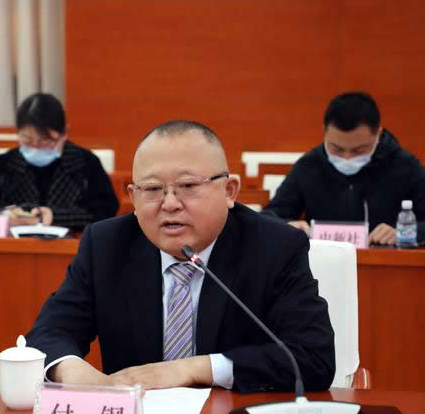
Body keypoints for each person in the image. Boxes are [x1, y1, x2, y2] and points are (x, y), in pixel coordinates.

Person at [26, 120, 335, 393]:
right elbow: (49, 332)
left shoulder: (275, 247)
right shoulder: (106, 245)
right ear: (133, 197)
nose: (170, 203)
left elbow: (313, 358)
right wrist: (70, 369)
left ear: (229, 191)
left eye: (187, 186)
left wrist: (194, 369)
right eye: (152, 189)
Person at [263, 92, 425, 246]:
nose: (347, 158)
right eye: (337, 149)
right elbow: (268, 217)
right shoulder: (310, 165)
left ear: (378, 134)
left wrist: (402, 234)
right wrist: (288, 226)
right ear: (325, 132)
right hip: (323, 268)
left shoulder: (404, 165)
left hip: (386, 268)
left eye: (359, 150)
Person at [0, 93, 119, 230]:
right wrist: (3, 214)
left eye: (44, 141)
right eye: (27, 140)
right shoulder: (8, 163)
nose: (35, 147)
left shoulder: (85, 162)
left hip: (70, 248)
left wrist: (55, 216)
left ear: (64, 134)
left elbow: (107, 209)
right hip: (14, 246)